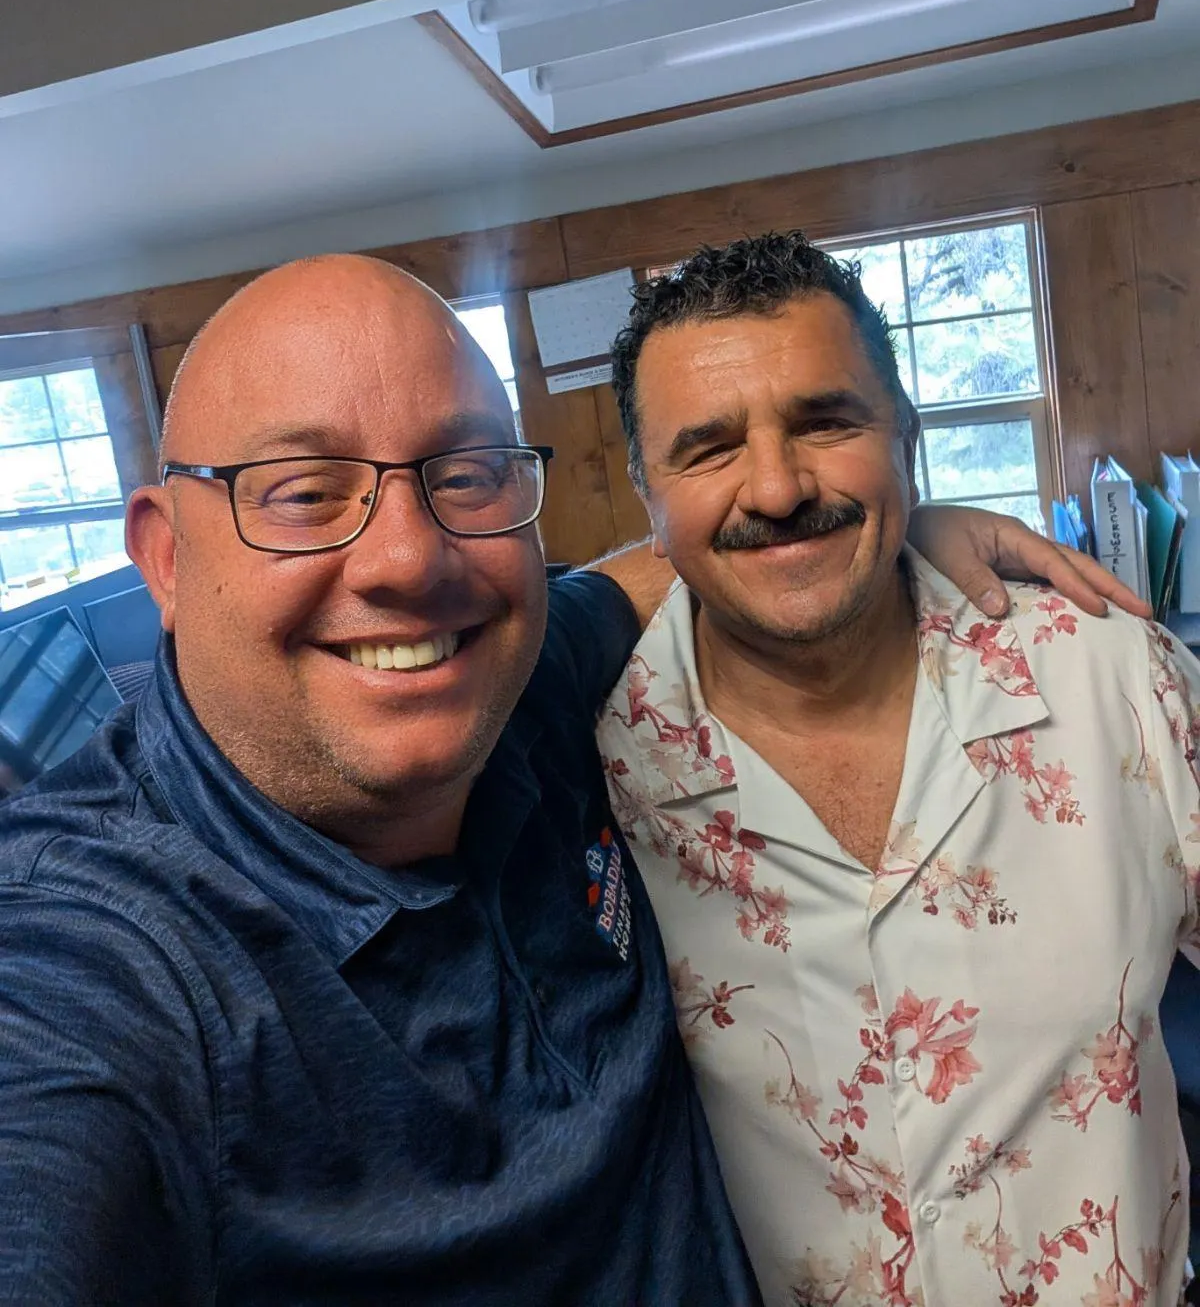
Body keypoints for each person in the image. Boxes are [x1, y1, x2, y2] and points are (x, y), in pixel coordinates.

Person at [0, 254, 1124, 1306]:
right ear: (165, 557)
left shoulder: (516, 686)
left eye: (466, 476)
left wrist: (882, 529)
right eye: (303, 493)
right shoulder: (90, 962)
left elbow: (669, 562)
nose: (410, 557)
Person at [598, 230, 1200, 1307]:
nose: (777, 487)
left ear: (907, 439)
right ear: (647, 494)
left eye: (827, 423)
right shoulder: (587, 775)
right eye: (709, 449)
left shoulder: (1111, 679)